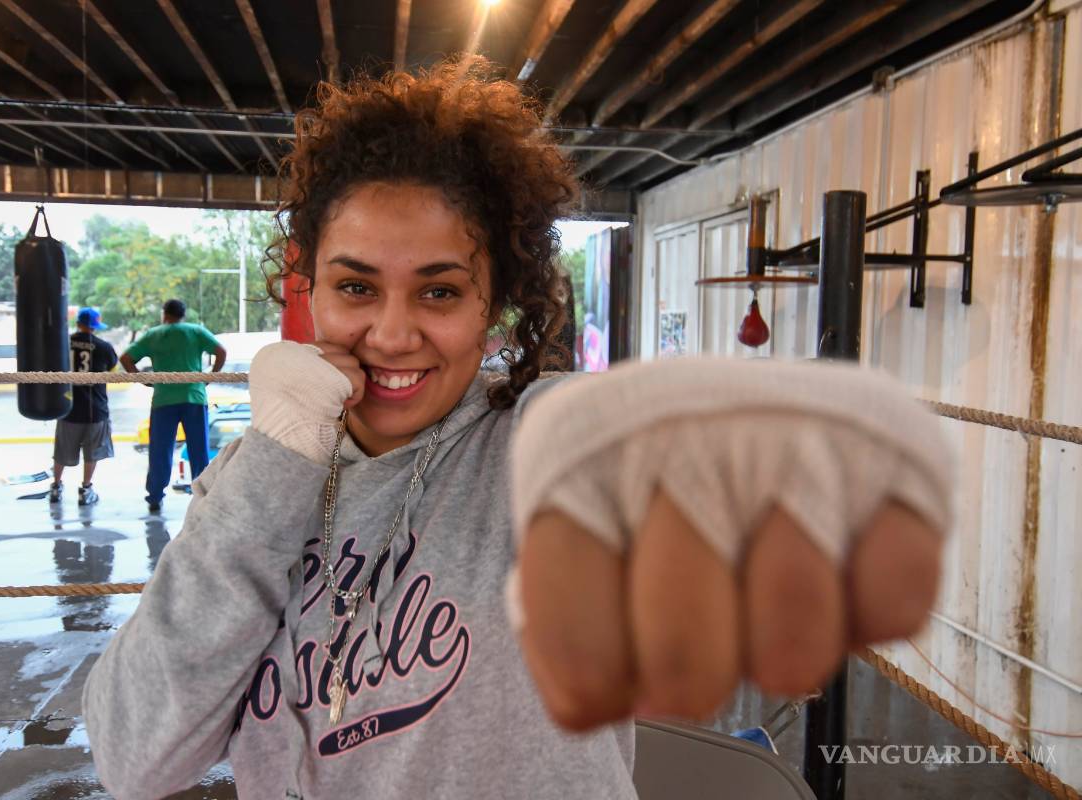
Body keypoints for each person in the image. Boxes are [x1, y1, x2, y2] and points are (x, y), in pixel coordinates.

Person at [83, 62, 953, 799]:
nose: (391, 333)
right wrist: (274, 460)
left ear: (493, 304)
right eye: (356, 288)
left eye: (439, 291)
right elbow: (136, 757)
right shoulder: (249, 476)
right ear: (307, 288)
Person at [119, 299, 226, 514]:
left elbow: (125, 358)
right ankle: (203, 495)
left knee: (160, 450)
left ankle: (155, 497)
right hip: (193, 397)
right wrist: (210, 376)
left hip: (163, 399)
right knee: (199, 450)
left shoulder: (153, 334)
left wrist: (143, 379)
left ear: (164, 314)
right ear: (183, 314)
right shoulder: (195, 331)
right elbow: (221, 352)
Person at [49, 307, 118, 506]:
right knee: (92, 452)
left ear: (78, 323)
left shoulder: (63, 344)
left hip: (67, 407)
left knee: (61, 451)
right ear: (95, 327)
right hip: (95, 410)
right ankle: (85, 489)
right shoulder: (104, 347)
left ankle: (55, 487)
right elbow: (114, 374)